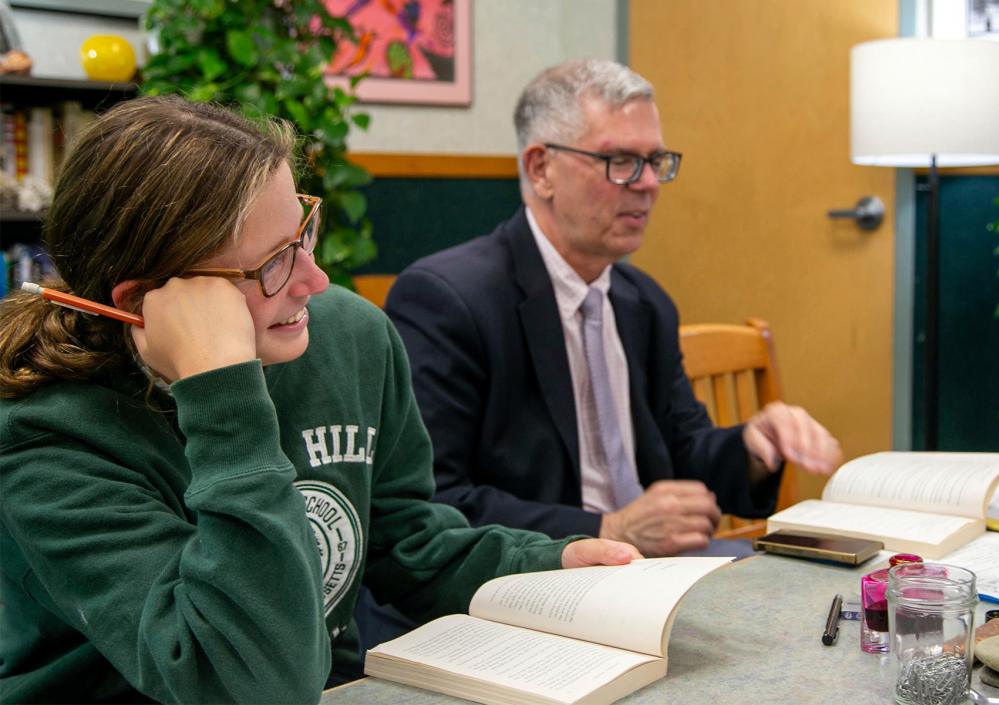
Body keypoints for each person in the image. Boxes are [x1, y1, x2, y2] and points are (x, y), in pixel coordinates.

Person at [0, 95, 639, 704]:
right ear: (144, 303)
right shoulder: (48, 441)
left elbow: (401, 540)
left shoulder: (349, 337)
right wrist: (222, 392)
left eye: (302, 232)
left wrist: (546, 562)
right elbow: (243, 683)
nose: (316, 279)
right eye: (271, 265)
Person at [385, 59, 843, 558]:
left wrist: (753, 448)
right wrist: (607, 528)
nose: (648, 184)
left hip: (651, 568)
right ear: (541, 169)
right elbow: (435, 505)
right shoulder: (449, 299)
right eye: (621, 161)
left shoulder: (643, 302)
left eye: (655, 160)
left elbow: (684, 452)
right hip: (536, 576)